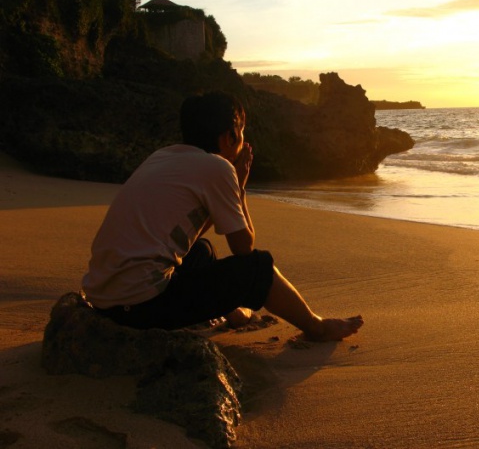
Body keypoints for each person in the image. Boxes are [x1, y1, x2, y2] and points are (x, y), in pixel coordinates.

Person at [82, 91, 363, 341]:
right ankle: (317, 327)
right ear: (229, 137)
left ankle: (233, 314)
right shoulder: (216, 167)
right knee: (258, 268)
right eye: (240, 133)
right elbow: (244, 248)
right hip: (141, 307)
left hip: (106, 299)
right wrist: (239, 186)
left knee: (200, 250)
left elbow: (182, 234)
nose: (242, 140)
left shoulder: (163, 155)